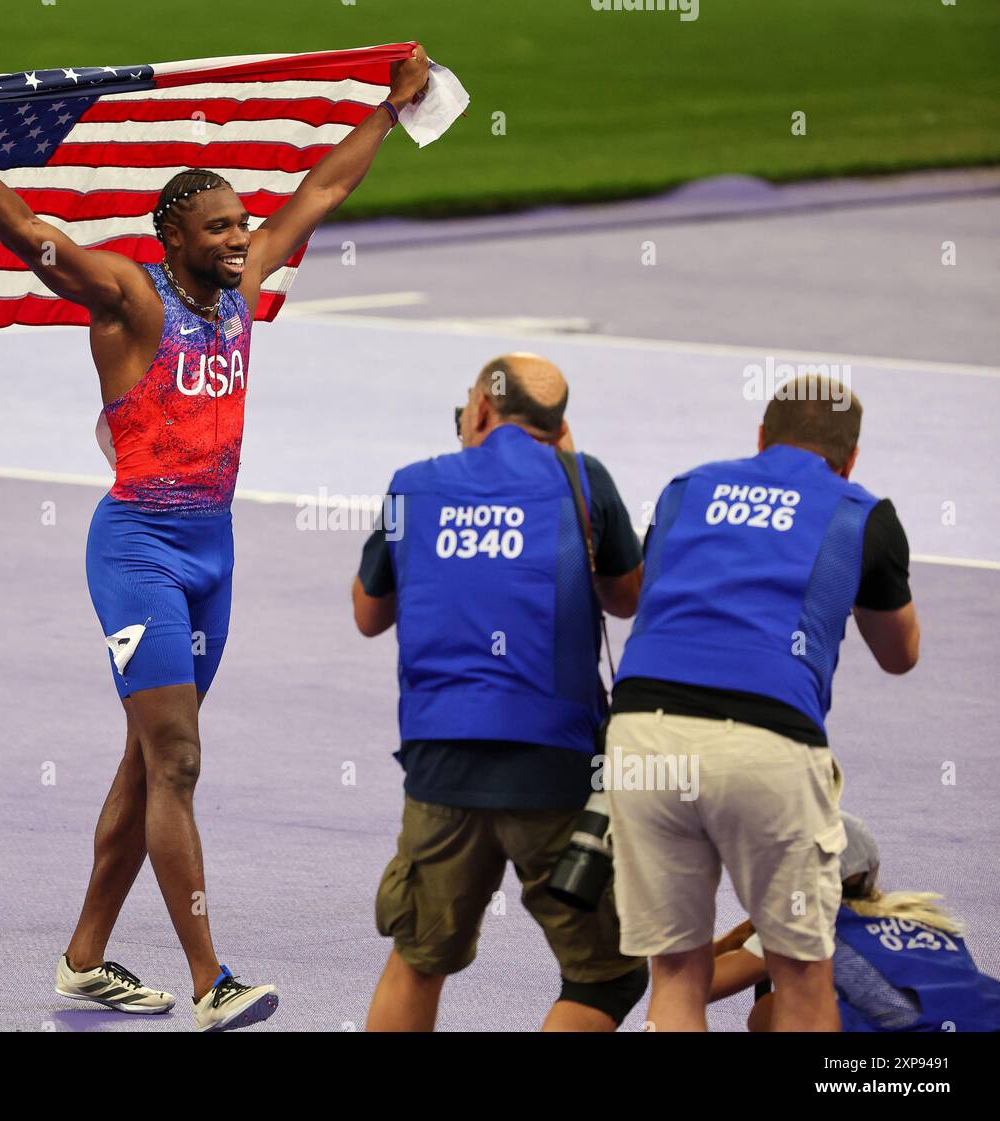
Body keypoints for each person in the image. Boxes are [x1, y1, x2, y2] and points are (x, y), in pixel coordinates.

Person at [0, 46, 435, 1032]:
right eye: (222, 226)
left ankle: (83, 959)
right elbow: (31, 237)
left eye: (243, 221)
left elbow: (323, 186)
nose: (243, 236)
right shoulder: (130, 298)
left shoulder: (240, 284)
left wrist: (389, 107)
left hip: (213, 555)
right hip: (139, 553)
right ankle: (211, 980)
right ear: (173, 236)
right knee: (180, 759)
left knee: (148, 760)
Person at [604, 375, 920, 1032]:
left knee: (677, 973)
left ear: (760, 438)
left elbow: (657, 594)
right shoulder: (862, 512)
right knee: (804, 975)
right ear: (851, 456)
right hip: (767, 739)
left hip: (644, 735)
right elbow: (900, 653)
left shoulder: (684, 490)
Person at [354, 353, 649, 1032]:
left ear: (482, 409)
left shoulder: (412, 486)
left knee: (418, 956)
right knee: (606, 976)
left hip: (439, 764)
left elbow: (368, 615)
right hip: (554, 769)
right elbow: (626, 598)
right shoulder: (582, 479)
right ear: (559, 426)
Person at [711, 812, 1000, 1031]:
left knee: (769, 1009)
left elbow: (702, 985)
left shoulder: (803, 929)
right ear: (871, 870)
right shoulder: (921, 917)